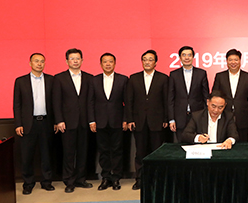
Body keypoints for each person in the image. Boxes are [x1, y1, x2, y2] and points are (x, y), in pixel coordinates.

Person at [13, 53, 56, 195]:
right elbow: (17, 104)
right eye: (36, 61)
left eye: (42, 61)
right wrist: (18, 123)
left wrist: (56, 121)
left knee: (47, 154)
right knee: (27, 155)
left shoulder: (51, 80)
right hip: (28, 123)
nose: (39, 64)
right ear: (30, 63)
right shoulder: (21, 81)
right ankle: (28, 183)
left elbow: (55, 103)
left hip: (46, 122)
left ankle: (47, 182)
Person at [125, 50, 169, 190]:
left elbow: (166, 100)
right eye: (145, 59)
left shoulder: (163, 78)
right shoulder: (133, 78)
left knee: (157, 152)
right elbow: (129, 101)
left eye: (150, 59)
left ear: (155, 62)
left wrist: (166, 118)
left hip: (157, 121)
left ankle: (157, 179)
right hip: (139, 121)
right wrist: (130, 119)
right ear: (142, 62)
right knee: (140, 152)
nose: (147, 62)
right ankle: (140, 179)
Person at [54, 48, 94, 193]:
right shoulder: (59, 78)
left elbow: (90, 101)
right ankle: (69, 181)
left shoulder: (89, 78)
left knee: (83, 152)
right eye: (72, 59)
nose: (75, 61)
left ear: (82, 60)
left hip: (84, 121)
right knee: (69, 153)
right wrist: (59, 120)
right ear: (67, 61)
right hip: (67, 122)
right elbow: (56, 101)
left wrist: (91, 120)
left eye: (78, 58)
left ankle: (81, 179)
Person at [88, 53, 128, 191]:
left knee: (117, 150)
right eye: (105, 62)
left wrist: (125, 119)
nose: (108, 64)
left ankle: (116, 178)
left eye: (110, 61)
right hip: (100, 122)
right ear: (101, 64)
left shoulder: (123, 79)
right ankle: (105, 177)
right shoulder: (94, 80)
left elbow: (127, 102)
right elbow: (90, 102)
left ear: (115, 63)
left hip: (117, 121)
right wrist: (91, 120)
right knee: (103, 151)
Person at [212, 49, 248, 142]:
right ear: (227, 61)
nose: (233, 62)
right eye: (230, 60)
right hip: (224, 115)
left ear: (240, 61)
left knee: (243, 142)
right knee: (224, 140)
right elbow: (215, 96)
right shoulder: (220, 76)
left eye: (236, 60)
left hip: (242, 116)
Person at [168, 46, 210, 141]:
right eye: (184, 55)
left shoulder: (201, 73)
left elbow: (206, 96)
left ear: (193, 57)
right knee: (181, 144)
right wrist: (171, 119)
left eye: (189, 55)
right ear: (180, 57)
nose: (186, 58)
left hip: (198, 116)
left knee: (198, 143)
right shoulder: (174, 75)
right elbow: (170, 99)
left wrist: (207, 116)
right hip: (180, 118)